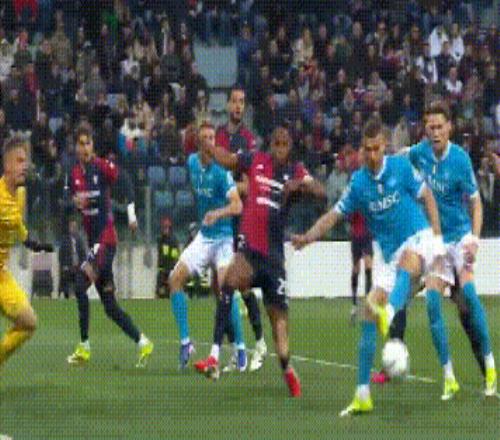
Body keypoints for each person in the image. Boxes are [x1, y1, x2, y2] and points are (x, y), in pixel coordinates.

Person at [292, 117, 455, 414]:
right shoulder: (358, 183)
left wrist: (437, 236)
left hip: (418, 238)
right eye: (366, 149)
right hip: (389, 254)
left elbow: (428, 196)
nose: (371, 155)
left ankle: (389, 314)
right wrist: (307, 237)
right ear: (361, 149)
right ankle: (362, 394)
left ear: (385, 146)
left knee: (409, 262)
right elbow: (333, 216)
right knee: (369, 311)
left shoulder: (401, 167)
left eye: (376, 148)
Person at [202, 126, 326, 396]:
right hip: (251, 251)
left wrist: (301, 186)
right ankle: (214, 356)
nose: (280, 148)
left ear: (289, 147)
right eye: (276, 143)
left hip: (274, 260)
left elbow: (321, 192)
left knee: (280, 330)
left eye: (284, 144)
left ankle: (287, 369)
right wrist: (209, 148)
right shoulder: (255, 159)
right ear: (271, 144)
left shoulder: (295, 171)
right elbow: (229, 159)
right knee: (227, 282)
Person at [402, 101, 496, 396]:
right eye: (430, 127)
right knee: (432, 301)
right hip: (437, 242)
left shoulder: (460, 160)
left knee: (469, 295)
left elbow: (476, 204)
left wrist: (475, 240)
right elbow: (403, 156)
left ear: (449, 128)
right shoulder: (420, 152)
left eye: (439, 127)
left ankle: (490, 368)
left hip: (460, 237)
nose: (435, 132)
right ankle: (449, 376)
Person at [66, 123, 153, 368]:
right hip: (95, 244)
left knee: (80, 285)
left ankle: (84, 346)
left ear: (93, 145)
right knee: (110, 306)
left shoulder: (102, 167)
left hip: (106, 241)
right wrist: (72, 202)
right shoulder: (73, 174)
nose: (85, 148)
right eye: (81, 144)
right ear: (75, 147)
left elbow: (126, 182)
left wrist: (131, 214)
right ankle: (143, 342)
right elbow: (65, 200)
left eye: (88, 143)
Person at [169, 122, 244, 371]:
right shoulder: (192, 162)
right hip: (204, 237)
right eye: (206, 138)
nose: (211, 142)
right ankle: (186, 343)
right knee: (174, 280)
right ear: (199, 143)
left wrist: (217, 213)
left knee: (225, 289)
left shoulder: (222, 172)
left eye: (213, 137)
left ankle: (240, 349)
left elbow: (237, 206)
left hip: (223, 238)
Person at [215, 84, 267, 373]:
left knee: (242, 284)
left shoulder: (249, 141)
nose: (238, 106)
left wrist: (227, 186)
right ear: (227, 105)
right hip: (223, 219)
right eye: (234, 101)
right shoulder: (219, 136)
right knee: (221, 287)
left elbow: (250, 185)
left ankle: (259, 343)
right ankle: (238, 348)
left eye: (242, 102)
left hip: (243, 219)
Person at [0, 137, 53, 372]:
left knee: (29, 322)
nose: (25, 165)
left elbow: (17, 225)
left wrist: (32, 243)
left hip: (2, 277)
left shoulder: (20, 194)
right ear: (7, 165)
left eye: (26, 161)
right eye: (19, 161)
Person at [348, 212, 373, 324]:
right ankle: (354, 304)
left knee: (368, 268)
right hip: (356, 237)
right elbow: (348, 217)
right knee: (356, 269)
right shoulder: (353, 204)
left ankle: (368, 303)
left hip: (367, 236)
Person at [58, 218, 87, 299]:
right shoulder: (65, 240)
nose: (73, 228)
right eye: (72, 227)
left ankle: (79, 296)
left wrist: (83, 265)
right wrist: (64, 266)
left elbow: (83, 254)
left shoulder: (79, 240)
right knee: (65, 278)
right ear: (69, 228)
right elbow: (61, 255)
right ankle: (66, 295)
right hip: (68, 266)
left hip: (78, 267)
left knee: (80, 279)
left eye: (75, 227)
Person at [155, 216, 180, 299]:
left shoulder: (173, 240)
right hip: (162, 270)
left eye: (167, 228)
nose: (165, 230)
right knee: (159, 292)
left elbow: (174, 257)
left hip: (170, 270)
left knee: (169, 292)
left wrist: (172, 269)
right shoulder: (160, 239)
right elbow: (160, 255)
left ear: (170, 228)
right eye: (164, 228)